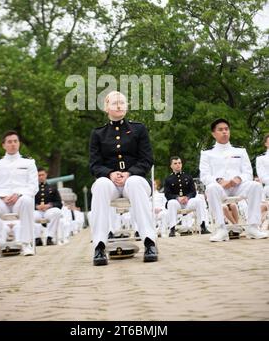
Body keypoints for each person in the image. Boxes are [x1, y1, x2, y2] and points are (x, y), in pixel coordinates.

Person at [89, 90, 157, 265]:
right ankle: (99, 245)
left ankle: (149, 242)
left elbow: (147, 159)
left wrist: (130, 173)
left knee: (134, 183)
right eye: (114, 103)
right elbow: (94, 165)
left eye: (122, 102)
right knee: (101, 185)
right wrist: (109, 174)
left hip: (136, 180)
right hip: (111, 183)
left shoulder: (138, 129)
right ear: (106, 107)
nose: (119, 105)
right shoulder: (98, 134)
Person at [200, 118, 267, 242]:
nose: (224, 132)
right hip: (220, 188)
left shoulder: (240, 150)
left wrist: (238, 178)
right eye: (220, 130)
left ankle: (253, 227)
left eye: (226, 129)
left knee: (255, 186)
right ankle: (221, 228)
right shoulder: (207, 153)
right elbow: (204, 176)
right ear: (214, 134)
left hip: (238, 186)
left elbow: (248, 172)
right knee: (211, 187)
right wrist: (220, 181)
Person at [0, 130, 38, 258]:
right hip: (2, 201)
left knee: (27, 201)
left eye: (15, 141)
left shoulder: (29, 163)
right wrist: (1, 196)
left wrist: (18, 194)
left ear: (19, 144)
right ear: (3, 145)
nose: (13, 144)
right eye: (9, 142)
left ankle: (26, 244)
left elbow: (33, 187)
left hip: (20, 200)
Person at [164, 157, 210, 236]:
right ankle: (172, 229)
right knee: (171, 203)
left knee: (198, 201)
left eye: (179, 163)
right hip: (176, 203)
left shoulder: (188, 177)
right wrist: (177, 198)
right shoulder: (168, 179)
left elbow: (193, 192)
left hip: (187, 202)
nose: (178, 165)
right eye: (175, 163)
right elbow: (167, 194)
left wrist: (187, 197)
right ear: (171, 166)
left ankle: (202, 226)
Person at [34, 168, 62, 246]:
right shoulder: (33, 189)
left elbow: (59, 203)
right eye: (39, 175)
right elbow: (29, 202)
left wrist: (49, 205)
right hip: (37, 211)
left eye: (42, 175)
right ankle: (37, 239)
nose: (41, 177)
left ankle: (50, 238)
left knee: (57, 212)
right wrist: (36, 206)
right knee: (30, 215)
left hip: (48, 211)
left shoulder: (53, 188)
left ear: (46, 175)